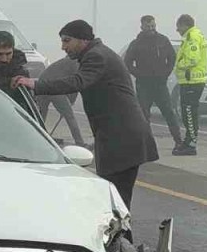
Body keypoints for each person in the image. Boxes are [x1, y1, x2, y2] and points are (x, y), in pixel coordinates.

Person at [12, 20, 158, 209]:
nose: (63, 47)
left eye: (67, 41)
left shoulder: (96, 56)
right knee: (113, 198)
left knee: (116, 201)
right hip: (118, 136)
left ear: (82, 40)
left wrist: (36, 84)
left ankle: (122, 238)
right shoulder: (97, 53)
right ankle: (120, 236)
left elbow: (78, 82)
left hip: (123, 138)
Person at [123, 15, 183, 149]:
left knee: (169, 112)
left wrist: (165, 73)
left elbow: (172, 58)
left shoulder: (162, 40)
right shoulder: (136, 43)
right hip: (143, 84)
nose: (151, 29)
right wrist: (139, 74)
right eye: (148, 26)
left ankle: (178, 141)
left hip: (160, 83)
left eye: (153, 26)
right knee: (144, 115)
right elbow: (127, 62)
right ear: (142, 27)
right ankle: (146, 144)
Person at [172, 14, 207, 156]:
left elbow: (192, 59)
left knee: (189, 113)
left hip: (192, 81)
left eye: (178, 26)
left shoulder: (192, 37)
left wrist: (179, 66)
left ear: (184, 25)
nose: (177, 30)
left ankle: (191, 144)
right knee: (189, 112)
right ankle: (188, 142)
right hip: (192, 81)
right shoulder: (195, 35)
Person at [34, 56, 89, 148]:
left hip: (41, 86)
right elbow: (76, 83)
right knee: (70, 117)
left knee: (40, 118)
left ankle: (38, 138)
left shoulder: (64, 61)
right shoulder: (76, 61)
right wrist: (70, 102)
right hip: (53, 88)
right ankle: (80, 143)